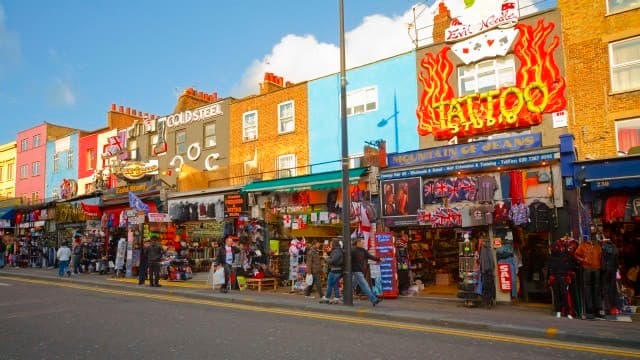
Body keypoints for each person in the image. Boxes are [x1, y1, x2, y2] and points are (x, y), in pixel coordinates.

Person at [574, 235, 603, 319]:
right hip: (587, 268)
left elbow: (600, 256)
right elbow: (576, 255)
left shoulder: (598, 246)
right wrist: (583, 260)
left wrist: (600, 266)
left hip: (596, 268)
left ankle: (597, 309)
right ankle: (589, 309)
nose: (592, 240)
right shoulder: (583, 245)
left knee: (596, 288)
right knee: (587, 287)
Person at [351, 238, 382, 306]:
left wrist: (378, 259)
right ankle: (374, 300)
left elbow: (370, 256)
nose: (363, 244)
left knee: (351, 286)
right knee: (365, 285)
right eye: (362, 243)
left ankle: (345, 297)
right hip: (356, 271)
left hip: (361, 271)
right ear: (358, 243)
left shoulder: (363, 250)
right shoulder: (353, 251)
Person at [322, 238, 344, 304]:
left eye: (331, 243)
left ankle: (328, 297)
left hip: (335, 270)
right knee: (334, 284)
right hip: (336, 269)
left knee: (330, 284)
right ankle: (336, 297)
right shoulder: (337, 250)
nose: (330, 244)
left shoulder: (336, 251)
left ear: (334, 244)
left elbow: (332, 260)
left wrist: (326, 258)